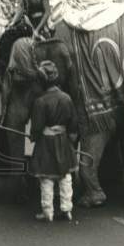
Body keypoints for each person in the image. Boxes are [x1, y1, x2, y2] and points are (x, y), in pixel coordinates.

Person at [28, 61, 79, 222]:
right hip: (63, 140)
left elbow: (36, 127)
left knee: (46, 178)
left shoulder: (40, 102)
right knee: (65, 176)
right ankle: (66, 209)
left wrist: (33, 136)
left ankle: (47, 211)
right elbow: (73, 123)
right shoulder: (66, 98)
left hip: (46, 141)